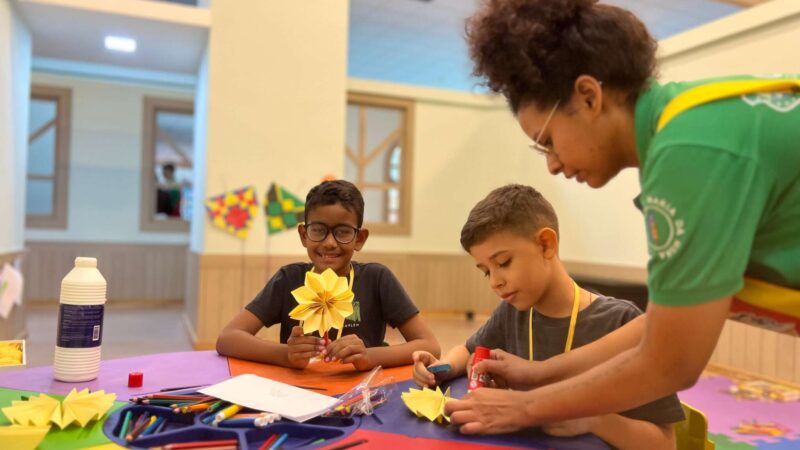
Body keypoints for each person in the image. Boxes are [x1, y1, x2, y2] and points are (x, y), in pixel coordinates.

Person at [445, 0, 800, 435]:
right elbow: (663, 325)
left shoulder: (689, 154)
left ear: (589, 97)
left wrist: (526, 408)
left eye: (548, 141)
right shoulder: (688, 123)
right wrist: (542, 374)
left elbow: (670, 362)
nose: (552, 164)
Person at [413, 184, 682, 448]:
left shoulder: (619, 321)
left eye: (504, 262)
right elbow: (468, 349)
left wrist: (594, 420)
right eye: (485, 271)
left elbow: (664, 443)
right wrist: (441, 368)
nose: (495, 282)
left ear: (546, 244)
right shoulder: (513, 312)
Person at [216, 180, 440, 370]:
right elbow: (228, 339)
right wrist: (285, 354)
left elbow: (430, 345)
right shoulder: (289, 279)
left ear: (360, 238)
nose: (330, 243)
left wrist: (369, 357)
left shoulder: (377, 279)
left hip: (358, 394)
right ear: (304, 235)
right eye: (318, 230)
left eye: (343, 232)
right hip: (299, 392)